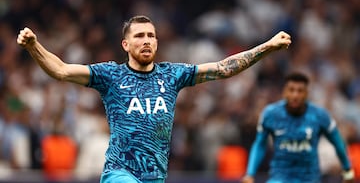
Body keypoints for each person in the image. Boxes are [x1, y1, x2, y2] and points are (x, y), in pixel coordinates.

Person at [17, 15, 291, 183]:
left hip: (155, 177)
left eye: (151, 35)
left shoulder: (172, 75)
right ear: (126, 44)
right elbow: (62, 70)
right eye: (139, 36)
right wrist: (33, 46)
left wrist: (267, 47)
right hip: (119, 174)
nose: (146, 40)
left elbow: (222, 68)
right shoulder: (110, 75)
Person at [242, 72, 354, 183]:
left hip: (309, 179)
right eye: (291, 90)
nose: (295, 95)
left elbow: (338, 143)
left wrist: (347, 170)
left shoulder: (319, 116)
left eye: (300, 91)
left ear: (306, 93)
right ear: (284, 92)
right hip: (280, 178)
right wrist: (250, 174)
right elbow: (260, 144)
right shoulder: (271, 114)